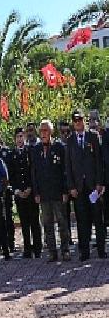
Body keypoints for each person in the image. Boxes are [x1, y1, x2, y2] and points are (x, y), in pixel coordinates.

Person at [65, 111, 106, 261]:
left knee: (98, 219)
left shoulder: (93, 136)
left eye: (80, 119)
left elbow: (99, 161)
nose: (77, 122)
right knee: (82, 221)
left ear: (84, 120)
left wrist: (99, 183)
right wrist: (71, 187)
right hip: (79, 187)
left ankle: (101, 250)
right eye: (75, 120)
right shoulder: (69, 141)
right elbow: (68, 166)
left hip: (93, 186)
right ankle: (84, 251)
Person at [32, 120, 71, 262]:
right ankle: (52, 252)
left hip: (58, 192)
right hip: (43, 193)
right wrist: (36, 192)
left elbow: (65, 170)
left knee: (62, 222)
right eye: (41, 130)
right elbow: (34, 172)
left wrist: (65, 190)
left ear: (51, 132)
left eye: (46, 130)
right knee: (47, 224)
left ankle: (65, 250)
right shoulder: (35, 149)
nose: (43, 133)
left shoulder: (59, 147)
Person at [9, 127, 42, 258]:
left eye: (21, 136)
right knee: (24, 223)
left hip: (31, 192)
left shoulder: (31, 151)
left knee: (34, 221)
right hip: (20, 194)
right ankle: (27, 248)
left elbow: (33, 171)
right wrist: (17, 190)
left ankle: (38, 248)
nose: (20, 139)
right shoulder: (12, 154)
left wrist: (30, 188)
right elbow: (11, 174)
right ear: (14, 139)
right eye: (17, 137)